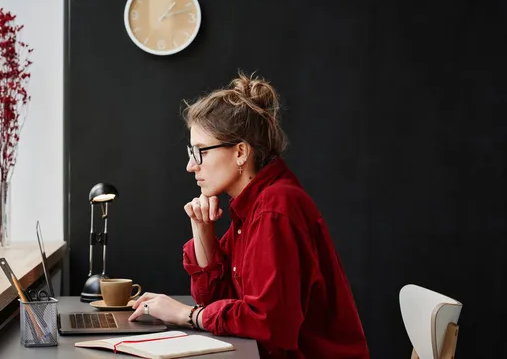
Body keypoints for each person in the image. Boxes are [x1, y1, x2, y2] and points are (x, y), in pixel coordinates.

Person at [129, 72, 369, 358]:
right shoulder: (253, 205)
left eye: (200, 151)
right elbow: (214, 299)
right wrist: (202, 228)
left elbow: (269, 325)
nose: (191, 166)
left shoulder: (274, 208)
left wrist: (185, 315)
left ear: (241, 152)